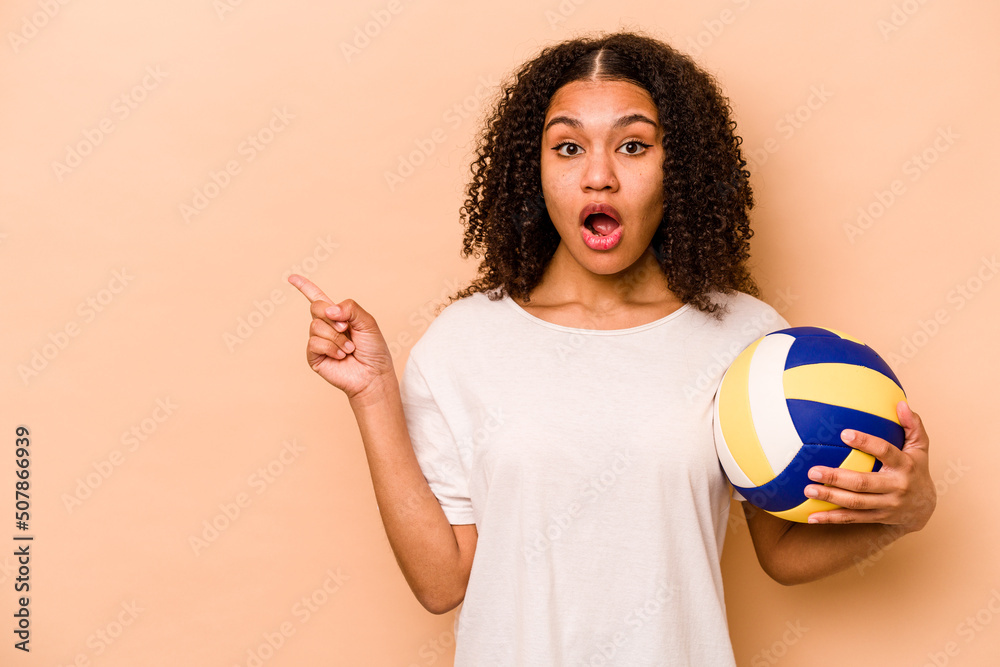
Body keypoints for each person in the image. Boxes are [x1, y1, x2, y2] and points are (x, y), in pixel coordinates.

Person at [289, 30, 936, 666]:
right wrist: (372, 393)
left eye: (632, 146)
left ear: (678, 166)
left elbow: (783, 553)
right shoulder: (463, 342)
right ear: (534, 169)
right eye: (568, 147)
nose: (598, 177)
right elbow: (441, 582)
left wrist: (908, 512)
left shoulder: (750, 342)